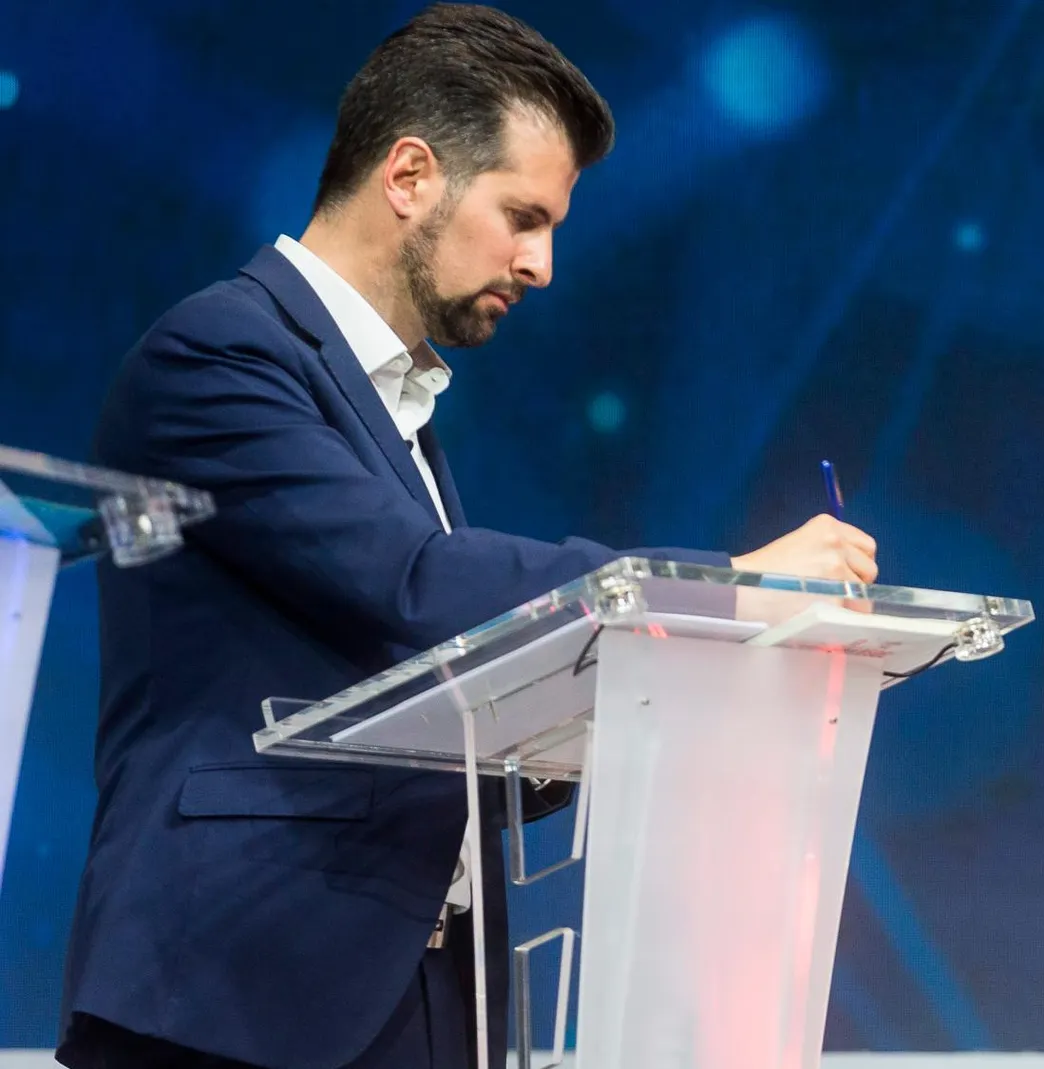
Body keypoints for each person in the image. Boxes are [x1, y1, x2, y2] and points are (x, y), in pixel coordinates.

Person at [57, 6, 877, 1068]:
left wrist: (625, 720)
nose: (541, 264)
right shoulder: (215, 356)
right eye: (522, 216)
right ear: (409, 176)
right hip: (238, 989)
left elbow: (435, 690)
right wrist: (722, 592)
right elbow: (411, 585)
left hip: (426, 998)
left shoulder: (396, 415)